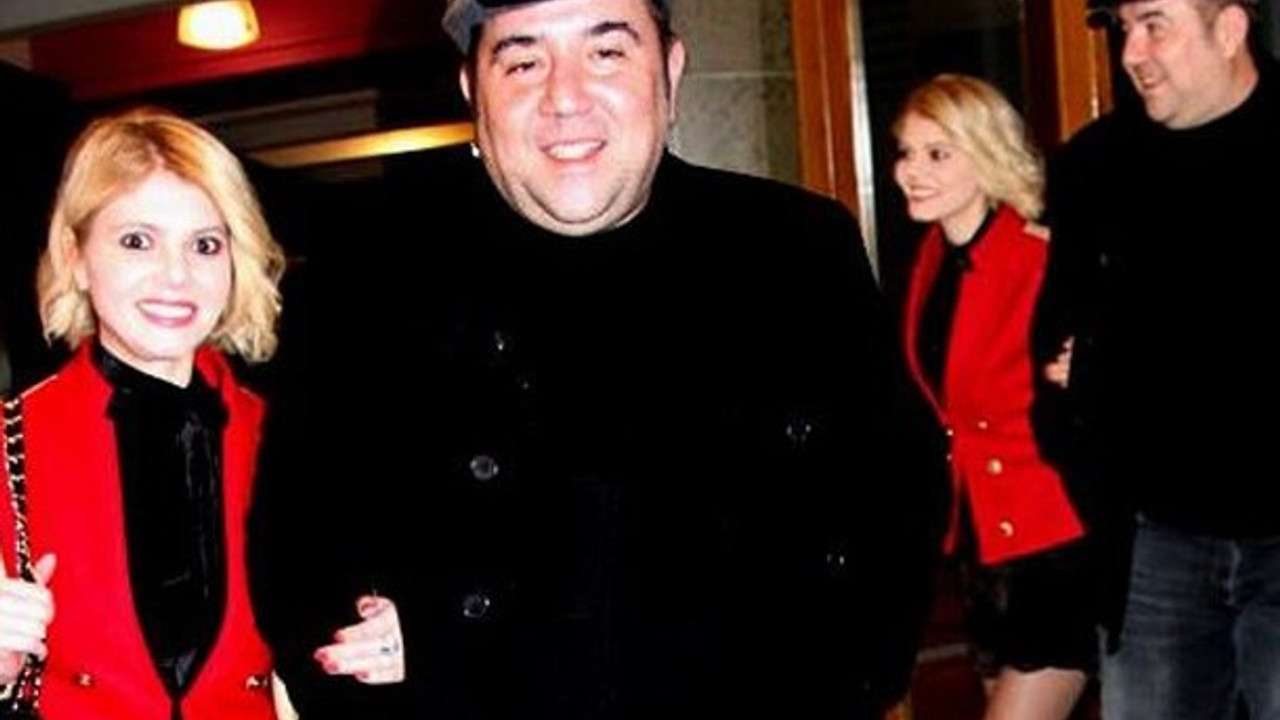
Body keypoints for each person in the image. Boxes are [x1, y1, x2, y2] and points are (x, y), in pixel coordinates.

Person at [253, 0, 947, 718]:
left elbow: (890, 521)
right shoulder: (369, 276)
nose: (565, 98)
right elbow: (299, 564)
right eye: (523, 62)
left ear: (670, 71)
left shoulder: (793, 253)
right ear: (472, 90)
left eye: (606, 53)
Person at [0, 108, 399, 720]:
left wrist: (398, 637)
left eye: (205, 245)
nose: (176, 275)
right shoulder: (10, 444)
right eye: (137, 241)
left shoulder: (295, 438)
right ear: (75, 256)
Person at [1033, 1, 1280, 718]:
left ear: (1228, 30)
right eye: (1124, 29)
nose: (1131, 52)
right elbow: (1056, 345)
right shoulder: (1096, 166)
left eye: (1154, 26)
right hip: (1153, 546)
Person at [893, 74, 1092, 720]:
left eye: (937, 153)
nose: (911, 172)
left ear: (985, 155)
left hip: (1054, 546)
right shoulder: (930, 258)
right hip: (982, 549)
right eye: (906, 152)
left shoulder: (1040, 259)